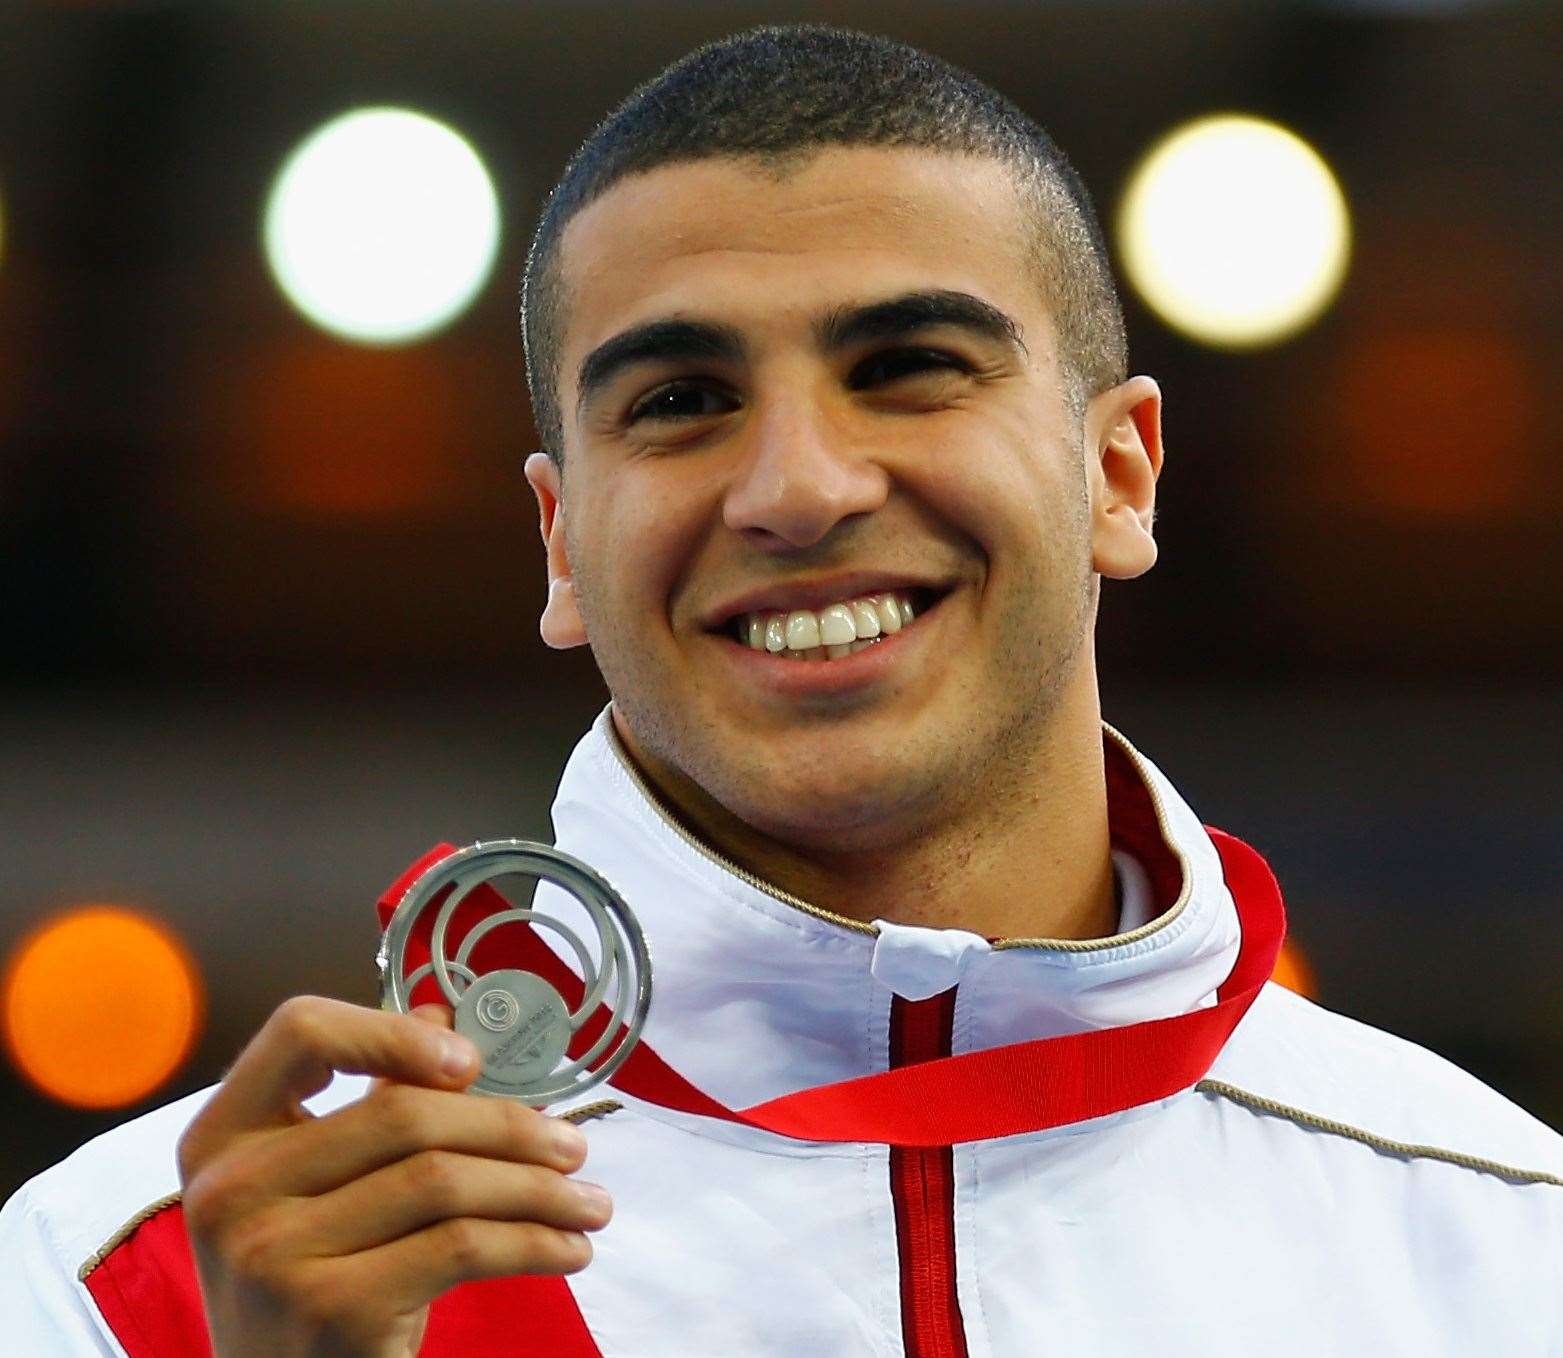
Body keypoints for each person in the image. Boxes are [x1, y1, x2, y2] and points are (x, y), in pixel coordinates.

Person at [4, 22, 1559, 1356]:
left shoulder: (1492, 1250)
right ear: (560, 543)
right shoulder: (142, 1283)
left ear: (1119, 472)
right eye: (682, 401)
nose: (799, 488)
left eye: (910, 367)